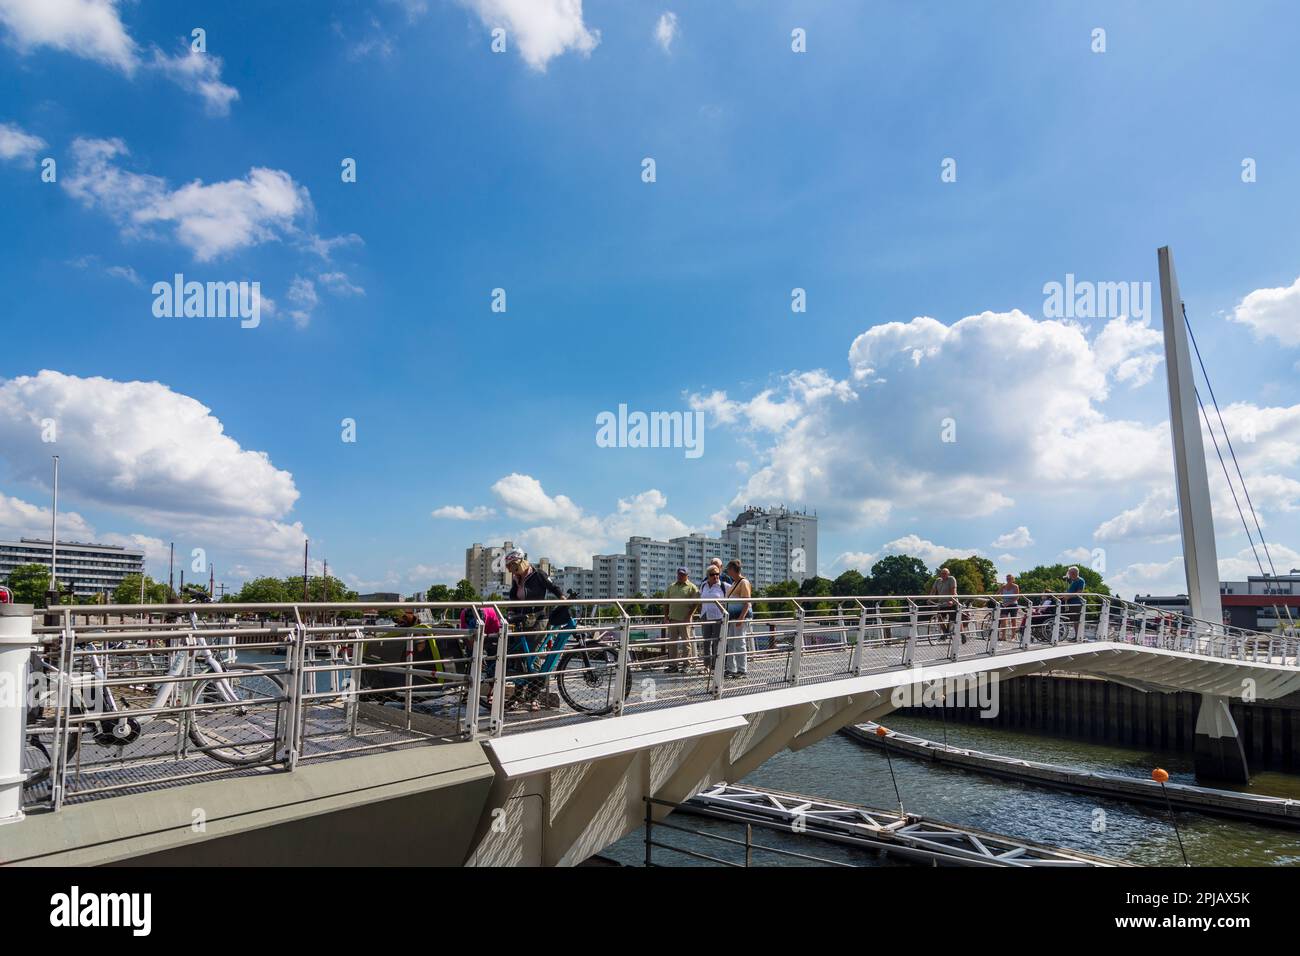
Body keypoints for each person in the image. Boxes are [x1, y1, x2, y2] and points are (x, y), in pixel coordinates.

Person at [503, 549, 567, 710]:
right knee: (520, 658)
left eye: (511, 566)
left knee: (533, 656)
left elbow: (552, 587)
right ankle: (518, 696)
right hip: (521, 620)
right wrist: (510, 613)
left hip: (538, 619)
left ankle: (533, 697)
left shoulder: (538, 574)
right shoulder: (517, 579)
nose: (510, 570)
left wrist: (562, 598)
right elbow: (513, 596)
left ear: (518, 562)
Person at [663, 567, 699, 673]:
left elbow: (696, 603)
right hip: (673, 618)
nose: (680, 576)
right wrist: (666, 616)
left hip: (685, 619)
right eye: (679, 574)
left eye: (683, 574)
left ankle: (686, 665)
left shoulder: (692, 587)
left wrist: (689, 616)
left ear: (687, 576)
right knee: (672, 643)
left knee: (686, 643)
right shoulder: (671, 586)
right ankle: (673, 665)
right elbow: (665, 602)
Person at [723, 560, 751, 678]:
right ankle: (731, 669)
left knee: (740, 642)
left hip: (739, 617)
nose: (727, 572)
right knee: (732, 643)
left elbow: (746, 602)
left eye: (728, 569)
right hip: (733, 617)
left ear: (733, 569)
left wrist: (741, 618)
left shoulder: (743, 582)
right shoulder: (735, 583)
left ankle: (742, 670)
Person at [699, 566, 727, 672]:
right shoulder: (703, 585)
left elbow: (734, 595)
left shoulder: (723, 586)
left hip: (718, 617)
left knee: (716, 642)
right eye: (712, 574)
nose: (715, 576)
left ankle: (716, 666)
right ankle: (706, 666)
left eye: (717, 574)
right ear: (708, 576)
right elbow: (700, 599)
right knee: (706, 642)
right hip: (705, 615)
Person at [928, 567, 958, 638]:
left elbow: (953, 590)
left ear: (948, 574)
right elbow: (933, 590)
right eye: (942, 573)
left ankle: (962, 635)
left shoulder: (951, 579)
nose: (943, 575)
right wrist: (929, 598)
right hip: (942, 603)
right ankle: (945, 633)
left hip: (951, 603)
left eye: (945, 573)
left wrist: (952, 600)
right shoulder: (938, 580)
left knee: (952, 619)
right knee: (940, 618)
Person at [1063, 566, 1086, 638]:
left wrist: (1068, 597)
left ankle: (1078, 636)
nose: (1069, 575)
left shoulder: (1080, 580)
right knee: (1074, 621)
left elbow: (1079, 592)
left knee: (1076, 621)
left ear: (1073, 573)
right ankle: (1077, 636)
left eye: (1069, 573)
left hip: (1076, 603)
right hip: (1072, 603)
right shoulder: (1074, 581)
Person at [997, 574, 1020, 640]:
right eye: (1007, 579)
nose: (1008, 580)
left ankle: (1013, 636)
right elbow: (997, 594)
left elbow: (1016, 597)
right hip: (1004, 605)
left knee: (1013, 620)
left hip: (1013, 604)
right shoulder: (1003, 586)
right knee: (1003, 619)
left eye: (1010, 579)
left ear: (1013, 580)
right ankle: (1003, 636)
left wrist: (1008, 603)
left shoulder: (1015, 586)